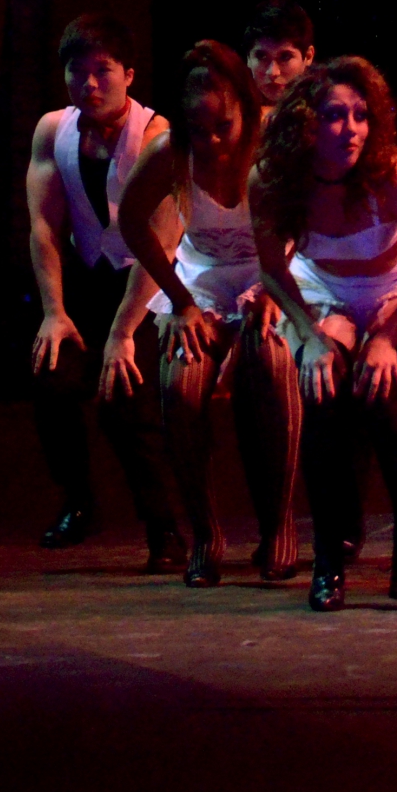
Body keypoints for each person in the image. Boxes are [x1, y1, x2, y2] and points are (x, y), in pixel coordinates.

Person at [251, 57, 397, 611]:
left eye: (361, 115)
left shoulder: (392, 175)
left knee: (382, 392)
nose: (352, 130)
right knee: (320, 395)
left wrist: (387, 335)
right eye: (335, 116)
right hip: (324, 293)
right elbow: (272, 270)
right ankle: (328, 553)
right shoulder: (273, 179)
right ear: (305, 122)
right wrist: (311, 335)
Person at [119, 41, 302, 587]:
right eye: (199, 131)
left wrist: (276, 290)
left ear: (245, 108)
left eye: (224, 126)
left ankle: (279, 527)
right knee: (180, 382)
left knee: (273, 359)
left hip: (272, 271)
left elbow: (305, 220)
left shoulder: (274, 142)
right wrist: (179, 300)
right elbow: (132, 221)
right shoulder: (169, 152)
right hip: (203, 279)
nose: (214, 142)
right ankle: (206, 534)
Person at [24, 13, 184, 569]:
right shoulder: (53, 130)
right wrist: (54, 311)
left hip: (150, 288)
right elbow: (43, 226)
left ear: (129, 75)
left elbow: (161, 241)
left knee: (127, 400)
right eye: (77, 72)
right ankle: (78, 502)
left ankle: (164, 528)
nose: (89, 84)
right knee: (51, 376)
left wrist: (123, 333)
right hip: (90, 282)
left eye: (103, 71)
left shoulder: (157, 136)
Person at [242, 0, 317, 109]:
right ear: (248, 57)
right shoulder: (233, 112)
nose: (272, 72)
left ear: (308, 56)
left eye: (285, 57)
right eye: (261, 57)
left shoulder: (324, 113)